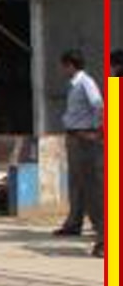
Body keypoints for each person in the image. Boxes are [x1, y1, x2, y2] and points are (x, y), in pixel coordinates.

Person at [52, 49, 104, 258]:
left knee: (91, 185)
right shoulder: (75, 85)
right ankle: (74, 222)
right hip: (76, 136)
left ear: (70, 65)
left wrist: (95, 132)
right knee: (77, 182)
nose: (62, 70)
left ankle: (100, 232)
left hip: (84, 138)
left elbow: (99, 106)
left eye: (63, 66)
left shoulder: (85, 83)